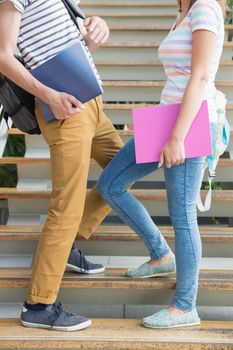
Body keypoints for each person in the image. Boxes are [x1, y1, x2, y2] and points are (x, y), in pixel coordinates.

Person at [97, 0, 227, 329]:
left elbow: (199, 78)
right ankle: (161, 254)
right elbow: (180, 77)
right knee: (110, 184)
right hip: (168, 117)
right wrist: (157, 125)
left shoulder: (205, 7)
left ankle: (185, 306)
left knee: (182, 216)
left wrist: (177, 137)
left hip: (191, 122)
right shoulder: (184, 10)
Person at [0, 0, 123, 331]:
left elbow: (72, 48)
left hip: (91, 103)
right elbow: (3, 55)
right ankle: (39, 304)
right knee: (66, 205)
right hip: (64, 109)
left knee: (125, 168)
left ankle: (67, 244)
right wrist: (49, 95)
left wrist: (96, 29)